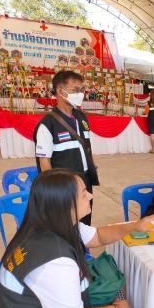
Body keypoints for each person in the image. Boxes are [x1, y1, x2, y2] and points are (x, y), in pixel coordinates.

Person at [0, 169, 154, 308]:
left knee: (118, 290)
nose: (90, 195)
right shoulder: (55, 262)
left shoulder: (46, 224)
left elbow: (97, 236)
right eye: (83, 194)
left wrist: (135, 226)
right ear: (65, 204)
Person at [33, 70, 97, 225]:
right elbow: (44, 163)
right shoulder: (47, 124)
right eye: (75, 90)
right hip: (65, 185)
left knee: (85, 222)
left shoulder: (81, 117)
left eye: (81, 90)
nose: (80, 94)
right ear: (61, 92)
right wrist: (56, 193)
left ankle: (82, 249)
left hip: (85, 181)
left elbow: (86, 147)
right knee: (66, 226)